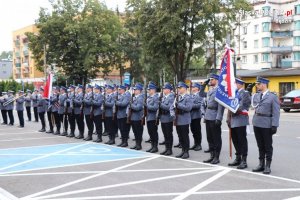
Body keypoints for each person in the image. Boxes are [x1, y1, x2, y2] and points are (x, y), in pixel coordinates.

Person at [251, 77, 280, 174]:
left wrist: (274, 125)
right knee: (260, 145)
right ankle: (261, 164)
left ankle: (268, 165)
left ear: (263, 84)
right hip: (257, 122)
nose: (257, 86)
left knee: (267, 145)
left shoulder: (272, 96)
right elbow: (252, 106)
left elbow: (276, 112)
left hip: (267, 124)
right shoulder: (256, 95)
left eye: (258, 84)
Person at [227, 78, 251, 169]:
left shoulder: (244, 93)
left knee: (242, 140)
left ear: (240, 84)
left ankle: (244, 160)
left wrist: (232, 110)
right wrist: (228, 118)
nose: (234, 85)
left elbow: (242, 105)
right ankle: (238, 158)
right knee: (235, 140)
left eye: (235, 83)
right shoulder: (234, 93)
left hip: (241, 119)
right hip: (233, 119)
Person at [203, 74, 225, 164]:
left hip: (215, 115)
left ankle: (216, 157)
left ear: (216, 80)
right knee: (209, 137)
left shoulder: (219, 91)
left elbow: (221, 105)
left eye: (212, 79)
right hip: (208, 116)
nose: (210, 81)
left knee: (216, 138)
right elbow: (202, 96)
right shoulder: (210, 90)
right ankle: (211, 156)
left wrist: (219, 118)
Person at [171, 81, 193, 159]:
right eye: (178, 88)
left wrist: (179, 105)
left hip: (184, 120)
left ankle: (186, 152)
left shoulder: (188, 97)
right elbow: (172, 107)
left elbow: (188, 108)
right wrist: (173, 114)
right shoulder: (177, 97)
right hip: (177, 119)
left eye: (180, 88)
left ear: (184, 88)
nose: (179, 89)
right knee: (180, 136)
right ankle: (183, 151)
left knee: (185, 136)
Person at [159, 83, 175, 156]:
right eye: (163, 89)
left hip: (168, 118)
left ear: (168, 90)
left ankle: (169, 149)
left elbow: (169, 107)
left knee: (168, 134)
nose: (163, 90)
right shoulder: (163, 97)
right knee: (165, 135)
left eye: (165, 89)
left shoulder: (171, 97)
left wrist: (160, 104)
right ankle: (166, 148)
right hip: (163, 117)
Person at [145, 82, 159, 153]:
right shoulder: (149, 97)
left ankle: (155, 147)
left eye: (149, 89)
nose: (148, 91)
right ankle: (152, 146)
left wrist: (147, 106)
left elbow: (155, 107)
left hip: (153, 118)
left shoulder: (155, 97)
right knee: (150, 133)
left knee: (153, 133)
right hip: (148, 117)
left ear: (153, 90)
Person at [190, 83, 204, 151]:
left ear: (198, 88)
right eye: (192, 87)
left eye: (194, 87)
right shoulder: (191, 95)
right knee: (193, 130)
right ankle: (195, 143)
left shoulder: (200, 95)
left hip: (196, 115)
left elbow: (199, 105)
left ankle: (199, 144)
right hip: (191, 116)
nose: (192, 88)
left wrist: (190, 105)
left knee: (197, 131)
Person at [130, 83, 144, 150]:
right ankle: (136, 144)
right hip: (133, 117)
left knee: (138, 132)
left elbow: (138, 107)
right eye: (134, 90)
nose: (134, 91)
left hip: (138, 118)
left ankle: (139, 145)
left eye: (136, 90)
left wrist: (131, 105)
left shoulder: (140, 98)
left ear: (139, 90)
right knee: (135, 132)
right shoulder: (134, 97)